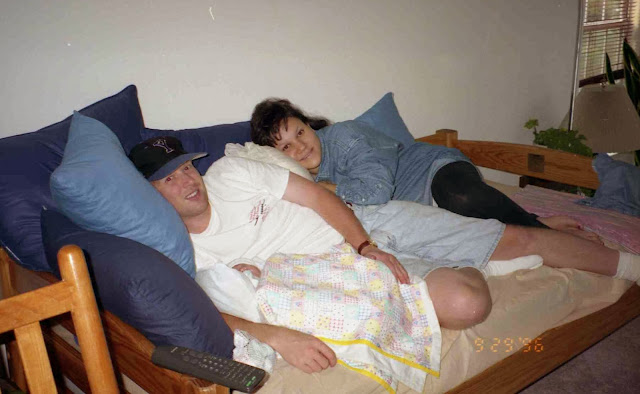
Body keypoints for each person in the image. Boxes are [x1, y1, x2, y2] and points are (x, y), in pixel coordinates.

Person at [128, 135, 640, 374]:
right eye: (169, 178)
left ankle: (632, 264)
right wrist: (276, 335)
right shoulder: (179, 248)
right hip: (339, 270)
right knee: (468, 303)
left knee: (520, 237)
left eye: (186, 166)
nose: (188, 180)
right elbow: (202, 307)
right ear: (148, 195)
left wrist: (367, 244)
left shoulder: (230, 173)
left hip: (365, 225)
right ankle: (480, 263)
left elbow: (320, 198)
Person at [249, 98, 600, 243]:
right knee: (468, 232)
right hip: (420, 209)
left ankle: (544, 231)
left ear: (308, 124)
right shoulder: (301, 179)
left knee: (460, 197)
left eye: (300, 132)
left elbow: (376, 191)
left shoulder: (343, 136)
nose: (300, 146)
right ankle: (530, 220)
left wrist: (331, 190)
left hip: (434, 171)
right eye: (286, 147)